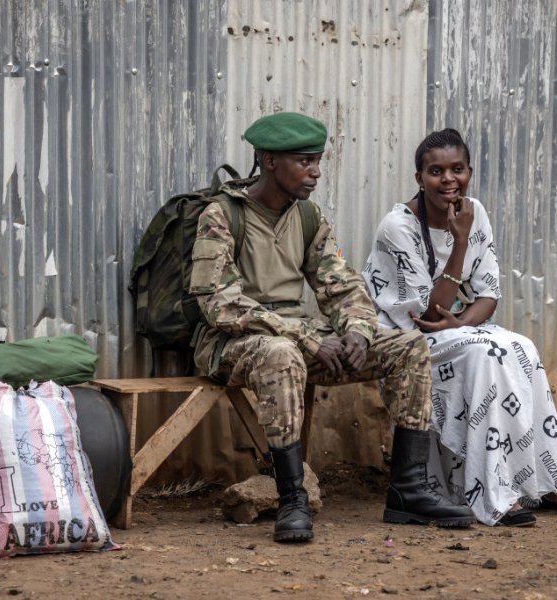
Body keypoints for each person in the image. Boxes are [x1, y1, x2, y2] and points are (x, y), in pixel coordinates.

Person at [188, 112, 475, 543]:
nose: (315, 171)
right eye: (304, 161)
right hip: (232, 343)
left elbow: (341, 285)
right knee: (281, 353)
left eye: (318, 160)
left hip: (301, 339)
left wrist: (358, 331)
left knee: (409, 346)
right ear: (268, 161)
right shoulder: (223, 215)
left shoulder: (307, 217)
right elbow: (218, 302)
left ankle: (408, 492)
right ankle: (292, 499)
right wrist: (302, 336)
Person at [362, 128, 557, 526]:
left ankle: (544, 482)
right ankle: (491, 492)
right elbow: (428, 314)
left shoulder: (476, 211)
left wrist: (461, 322)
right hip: (406, 340)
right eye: (436, 171)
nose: (448, 179)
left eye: (458, 169)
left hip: (456, 329)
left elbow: (488, 295)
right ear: (419, 178)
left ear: (469, 171)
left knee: (521, 347)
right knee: (485, 352)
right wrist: (459, 242)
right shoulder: (397, 227)